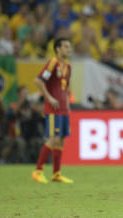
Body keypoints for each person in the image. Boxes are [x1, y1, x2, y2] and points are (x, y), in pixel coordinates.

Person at [32, 38, 73, 184]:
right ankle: (38, 171)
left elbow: (65, 88)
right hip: (53, 108)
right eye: (66, 46)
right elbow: (38, 80)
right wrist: (49, 98)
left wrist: (67, 105)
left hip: (63, 109)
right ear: (58, 49)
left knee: (61, 139)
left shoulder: (68, 66)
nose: (69, 49)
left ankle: (56, 174)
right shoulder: (53, 62)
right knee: (54, 138)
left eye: (69, 47)